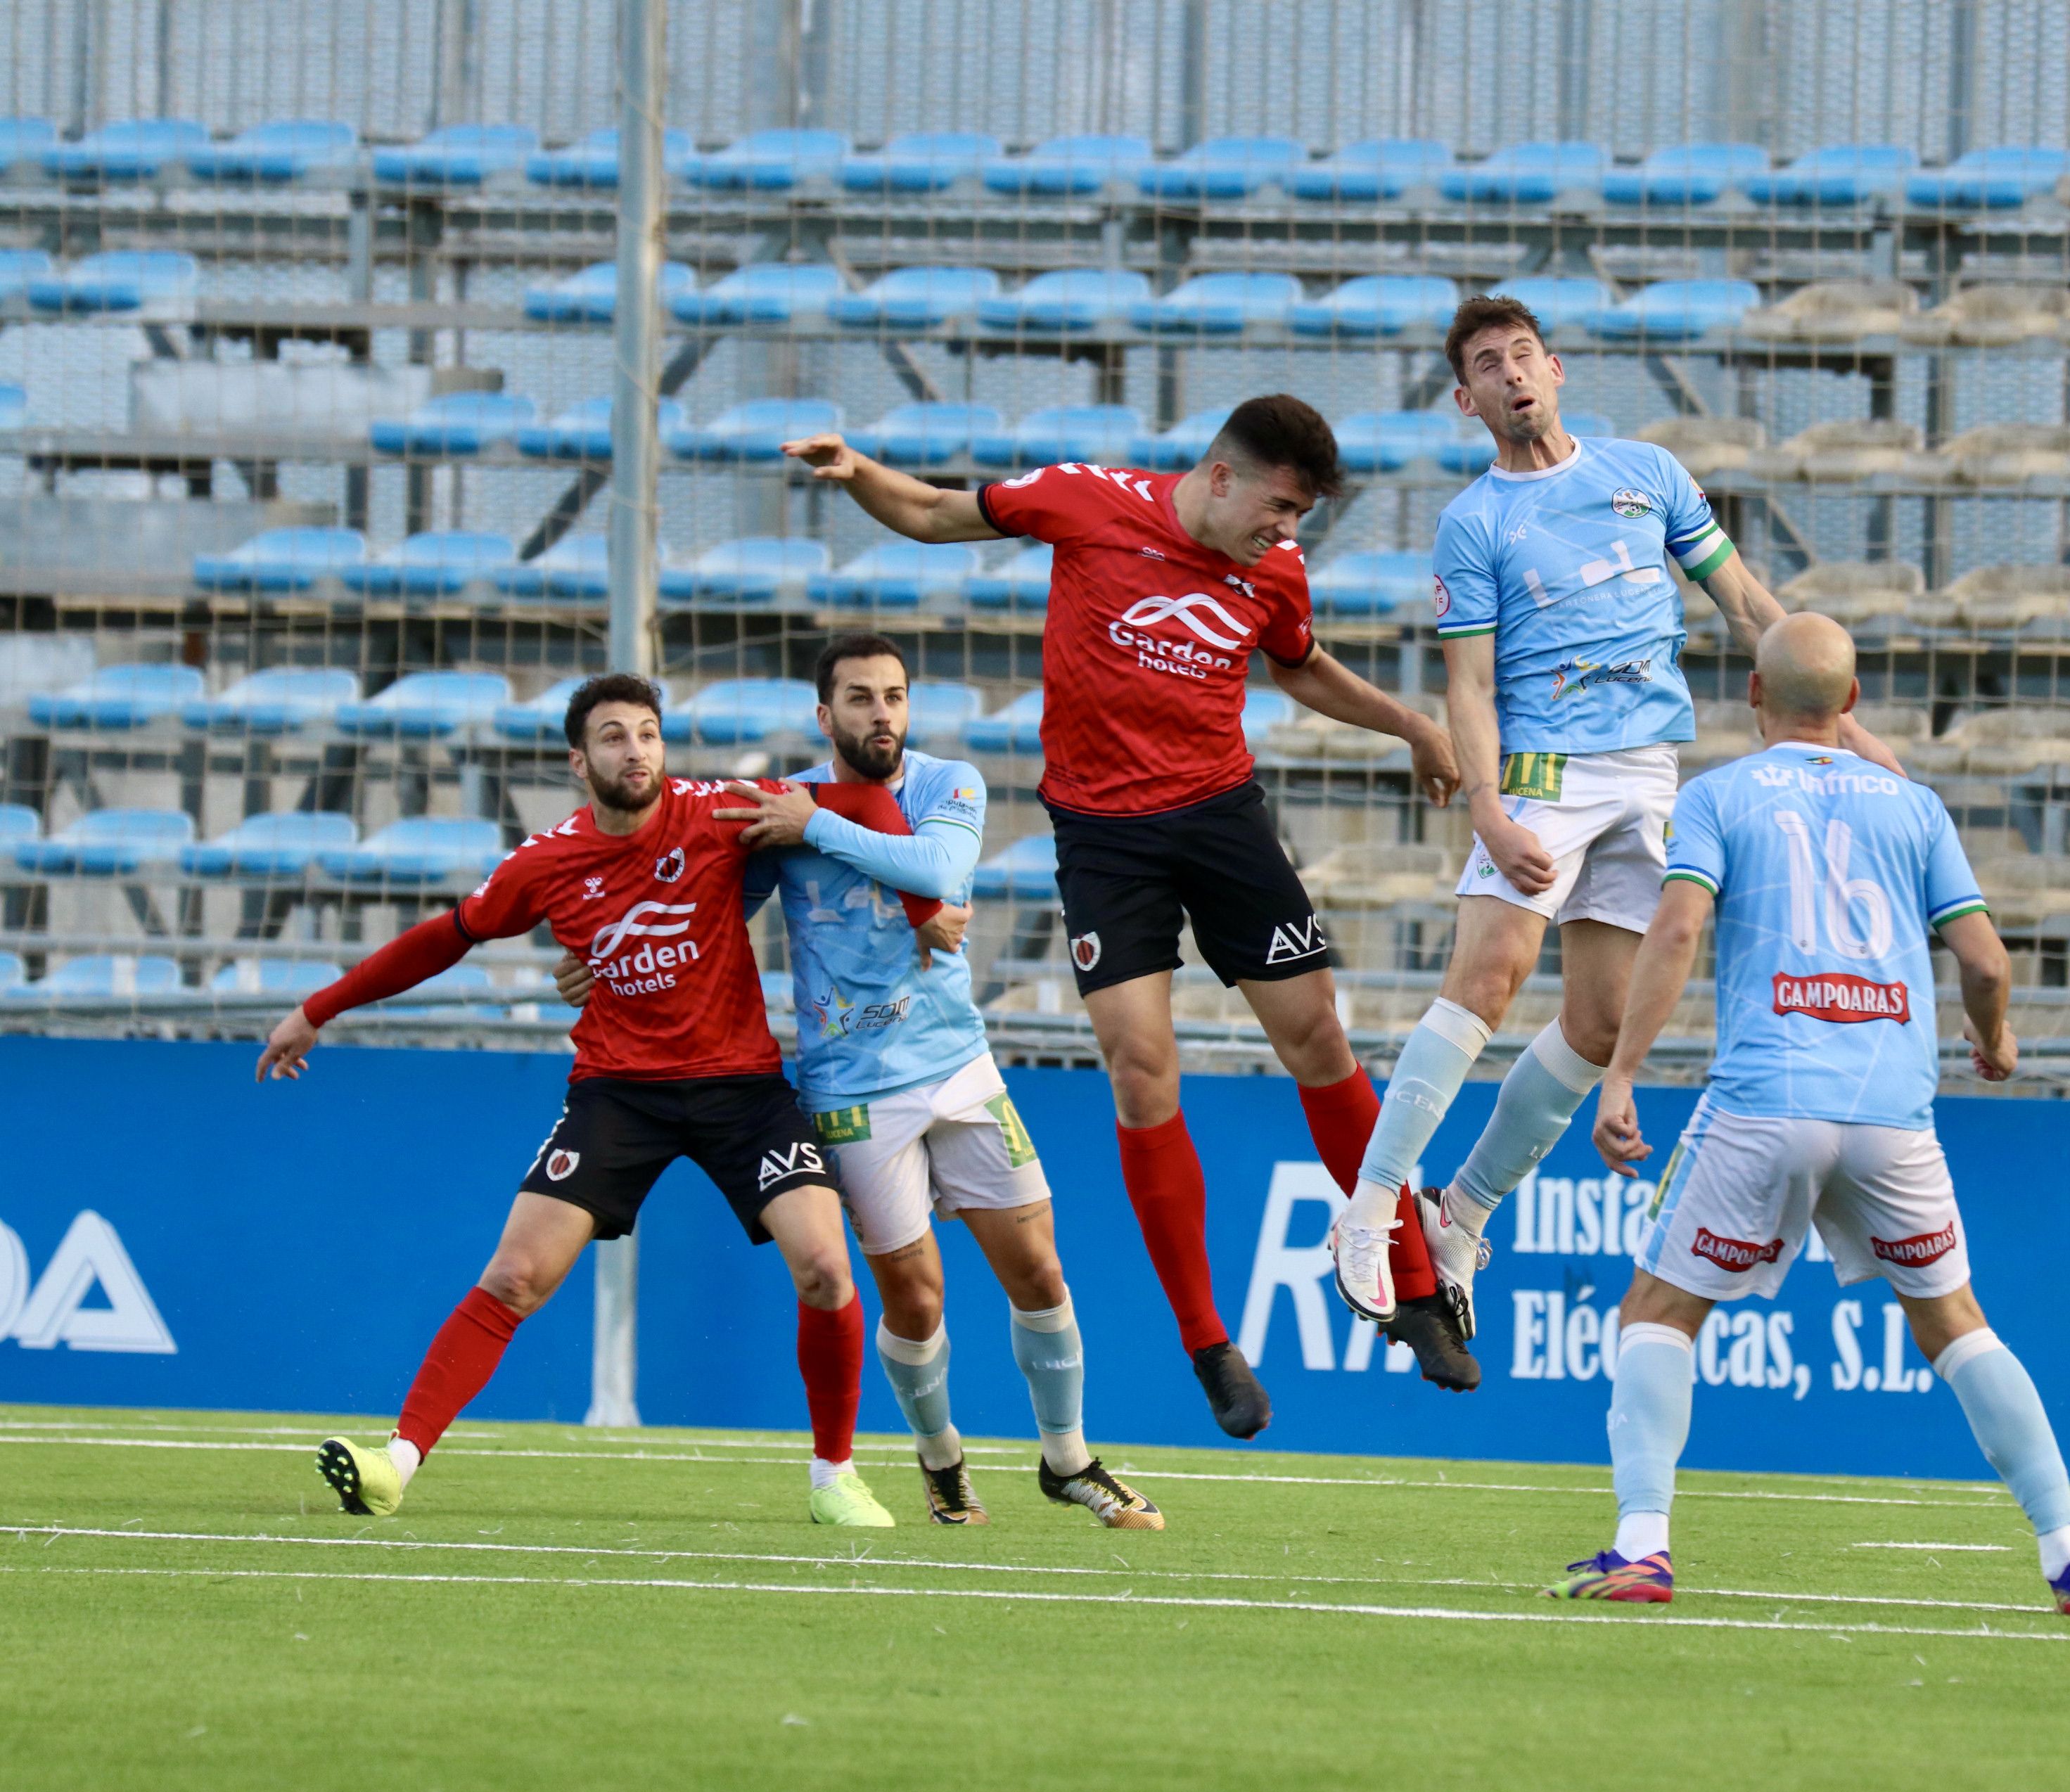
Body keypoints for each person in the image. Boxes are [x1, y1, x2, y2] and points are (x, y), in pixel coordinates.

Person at [779, 395, 1474, 1423]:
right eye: (1281, 507)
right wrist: (859, 469)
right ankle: (1209, 1345)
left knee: (1319, 1041)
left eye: (1304, 518)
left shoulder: (1274, 572)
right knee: (1143, 1070)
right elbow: (933, 513)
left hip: (1225, 821)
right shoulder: (1084, 501)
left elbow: (1298, 664)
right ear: (1223, 474)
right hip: (1106, 841)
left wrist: (1410, 723)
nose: (1289, 533)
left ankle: (1415, 1286)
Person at [1324, 294, 1908, 1349]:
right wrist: (1491, 807)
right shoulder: (1477, 521)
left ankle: (1461, 1221)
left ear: (1556, 368)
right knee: (1488, 979)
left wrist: (1842, 725)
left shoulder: (1649, 474)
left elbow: (1745, 607)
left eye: (1523, 356)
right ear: (1467, 400)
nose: (1512, 376)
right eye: (1488, 368)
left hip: (1651, 773)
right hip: (1546, 769)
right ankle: (1367, 1214)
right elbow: (1470, 685)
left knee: (1598, 1025)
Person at [260, 673, 940, 1528]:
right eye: (615, 737)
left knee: (828, 1268)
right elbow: (444, 938)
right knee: (514, 1276)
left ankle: (834, 1475)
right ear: (580, 762)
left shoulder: (720, 810)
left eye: (649, 733)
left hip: (741, 1088)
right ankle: (394, 1463)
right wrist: (317, 1009)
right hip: (618, 1093)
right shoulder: (546, 863)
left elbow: (864, 803)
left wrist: (925, 905)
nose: (637, 750)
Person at [1557, 615, 2070, 1613]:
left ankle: (1644, 1545)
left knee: (1658, 1314)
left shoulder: (1720, 795)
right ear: (1854, 703)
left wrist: (1622, 1073)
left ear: (1752, 696)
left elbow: (1679, 926)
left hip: (1766, 1104)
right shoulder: (1915, 807)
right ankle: (2069, 1550)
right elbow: (1986, 961)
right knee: (1955, 1325)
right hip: (1892, 1115)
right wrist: (1994, 1038)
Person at [554, 634, 1161, 1530]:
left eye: (895, 696)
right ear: (824, 714)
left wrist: (818, 827)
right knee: (916, 1296)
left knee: (1039, 1269)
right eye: (862, 698)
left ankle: (1067, 1458)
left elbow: (941, 871)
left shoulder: (946, 783)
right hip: (850, 1090)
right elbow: (701, 905)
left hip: (959, 1067)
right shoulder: (777, 812)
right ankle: (940, 1458)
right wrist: (597, 951)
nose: (883, 713)